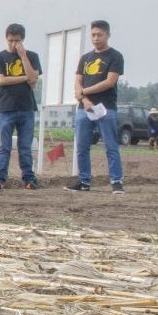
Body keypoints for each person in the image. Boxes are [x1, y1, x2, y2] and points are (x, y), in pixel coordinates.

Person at [68, 20, 125, 194]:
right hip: (84, 108)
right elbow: (78, 80)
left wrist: (84, 91)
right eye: (93, 35)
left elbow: (109, 82)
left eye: (99, 35)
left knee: (110, 145)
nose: (96, 38)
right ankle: (84, 181)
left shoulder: (115, 56)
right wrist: (84, 99)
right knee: (82, 146)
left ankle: (116, 181)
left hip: (106, 108)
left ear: (107, 35)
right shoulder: (85, 58)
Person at [0, 23, 42, 191]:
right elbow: (1, 80)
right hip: (6, 108)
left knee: (25, 147)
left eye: (17, 41)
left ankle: (29, 179)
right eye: (11, 40)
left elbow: (34, 81)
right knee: (4, 147)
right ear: (6, 39)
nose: (13, 44)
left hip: (26, 108)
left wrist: (23, 56)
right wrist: (25, 77)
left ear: (22, 40)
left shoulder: (32, 56)